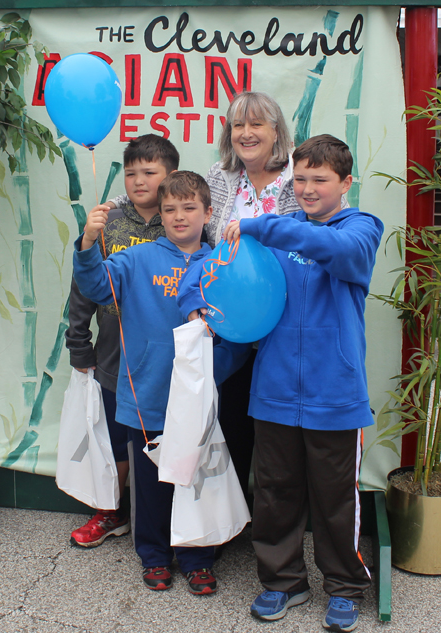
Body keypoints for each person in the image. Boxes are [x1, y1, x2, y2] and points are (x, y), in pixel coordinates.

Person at [177, 135, 384, 631]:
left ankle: (345, 586)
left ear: (345, 183)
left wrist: (260, 225)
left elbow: (328, 246)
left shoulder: (361, 229)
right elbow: (203, 272)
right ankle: (282, 582)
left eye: (321, 180)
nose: (309, 189)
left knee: (336, 499)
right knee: (274, 491)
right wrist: (197, 307)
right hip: (271, 392)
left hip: (335, 393)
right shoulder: (277, 230)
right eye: (302, 180)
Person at [73, 170, 242, 595]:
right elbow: (95, 285)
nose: (179, 216)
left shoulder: (223, 263)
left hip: (199, 398)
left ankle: (197, 558)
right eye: (170, 209)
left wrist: (208, 376)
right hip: (145, 394)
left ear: (208, 212)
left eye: (189, 208)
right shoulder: (138, 258)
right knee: (150, 487)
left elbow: (238, 331)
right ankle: (153, 555)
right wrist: (89, 244)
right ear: (161, 216)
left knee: (195, 479)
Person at [65, 134, 179, 547]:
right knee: (113, 440)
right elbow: (83, 286)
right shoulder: (108, 222)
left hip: (163, 361)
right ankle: (109, 511)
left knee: (159, 443)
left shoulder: (180, 223)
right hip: (112, 354)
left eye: (150, 172)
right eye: (131, 173)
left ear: (171, 175)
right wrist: (79, 342)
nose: (138, 180)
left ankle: (168, 523)